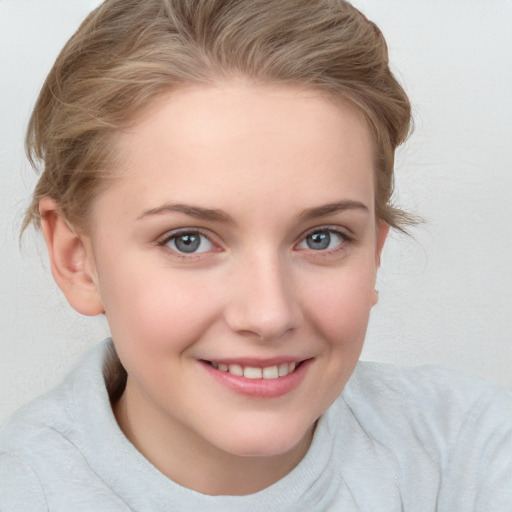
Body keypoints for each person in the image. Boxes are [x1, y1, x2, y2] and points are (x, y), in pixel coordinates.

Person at [0, 0, 510, 510]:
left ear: (374, 252)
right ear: (76, 259)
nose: (269, 315)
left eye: (322, 238)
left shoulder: (473, 452)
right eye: (188, 240)